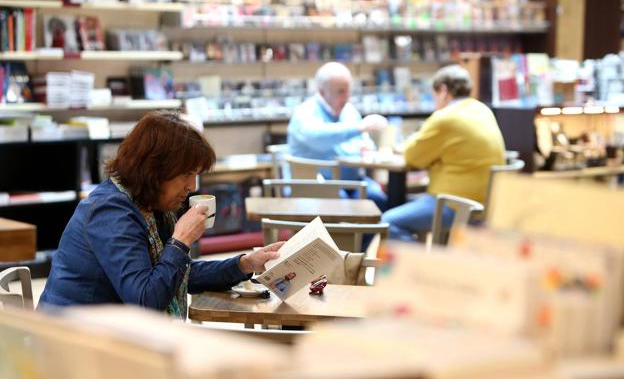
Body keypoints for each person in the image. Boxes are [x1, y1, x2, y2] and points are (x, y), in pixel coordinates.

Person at [39, 111, 284, 319]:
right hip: (70, 343)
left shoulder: (150, 205)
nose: (192, 186)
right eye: (186, 174)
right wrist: (180, 242)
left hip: (106, 334)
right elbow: (146, 302)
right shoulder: (110, 212)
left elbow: (180, 275)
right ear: (154, 171)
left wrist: (244, 264)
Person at [382, 65, 505, 241]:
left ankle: (418, 267)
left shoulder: (446, 117)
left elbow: (412, 156)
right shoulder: (483, 110)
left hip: (456, 204)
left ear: (443, 91)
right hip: (487, 203)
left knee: (389, 222)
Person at [287, 62, 389, 211]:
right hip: (315, 185)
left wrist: (367, 147)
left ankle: (359, 235)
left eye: (349, 91)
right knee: (344, 205)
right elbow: (319, 137)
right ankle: (349, 234)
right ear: (322, 92)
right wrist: (359, 127)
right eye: (341, 91)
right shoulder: (304, 112)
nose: (347, 97)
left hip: (352, 182)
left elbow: (364, 143)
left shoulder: (349, 111)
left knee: (378, 199)